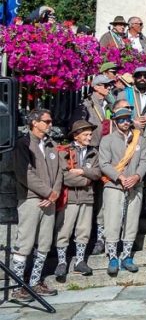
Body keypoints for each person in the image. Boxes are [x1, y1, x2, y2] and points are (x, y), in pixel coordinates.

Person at [11, 109, 62, 299]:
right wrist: (47, 192)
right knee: (25, 241)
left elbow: (59, 173)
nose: (50, 124)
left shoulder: (51, 145)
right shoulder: (23, 144)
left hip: (50, 200)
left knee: (45, 241)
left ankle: (35, 281)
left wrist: (53, 193)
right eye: (46, 121)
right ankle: (18, 286)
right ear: (34, 122)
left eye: (50, 121)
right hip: (31, 198)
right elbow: (25, 174)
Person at [98, 106, 146, 277]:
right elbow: (104, 164)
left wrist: (136, 176)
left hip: (134, 184)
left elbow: (145, 161)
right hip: (114, 185)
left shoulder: (139, 139)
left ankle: (127, 256)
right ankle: (112, 256)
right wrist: (119, 177)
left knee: (131, 220)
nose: (125, 122)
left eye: (128, 119)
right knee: (113, 221)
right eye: (121, 119)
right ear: (115, 121)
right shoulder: (107, 140)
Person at [55, 120, 102, 280]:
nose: (90, 137)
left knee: (84, 230)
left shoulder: (94, 152)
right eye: (86, 134)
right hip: (70, 198)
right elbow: (65, 176)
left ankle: (80, 261)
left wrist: (82, 171)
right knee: (64, 230)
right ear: (76, 135)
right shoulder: (65, 151)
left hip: (87, 197)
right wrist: (86, 179)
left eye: (90, 134)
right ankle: (61, 262)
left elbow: (97, 173)